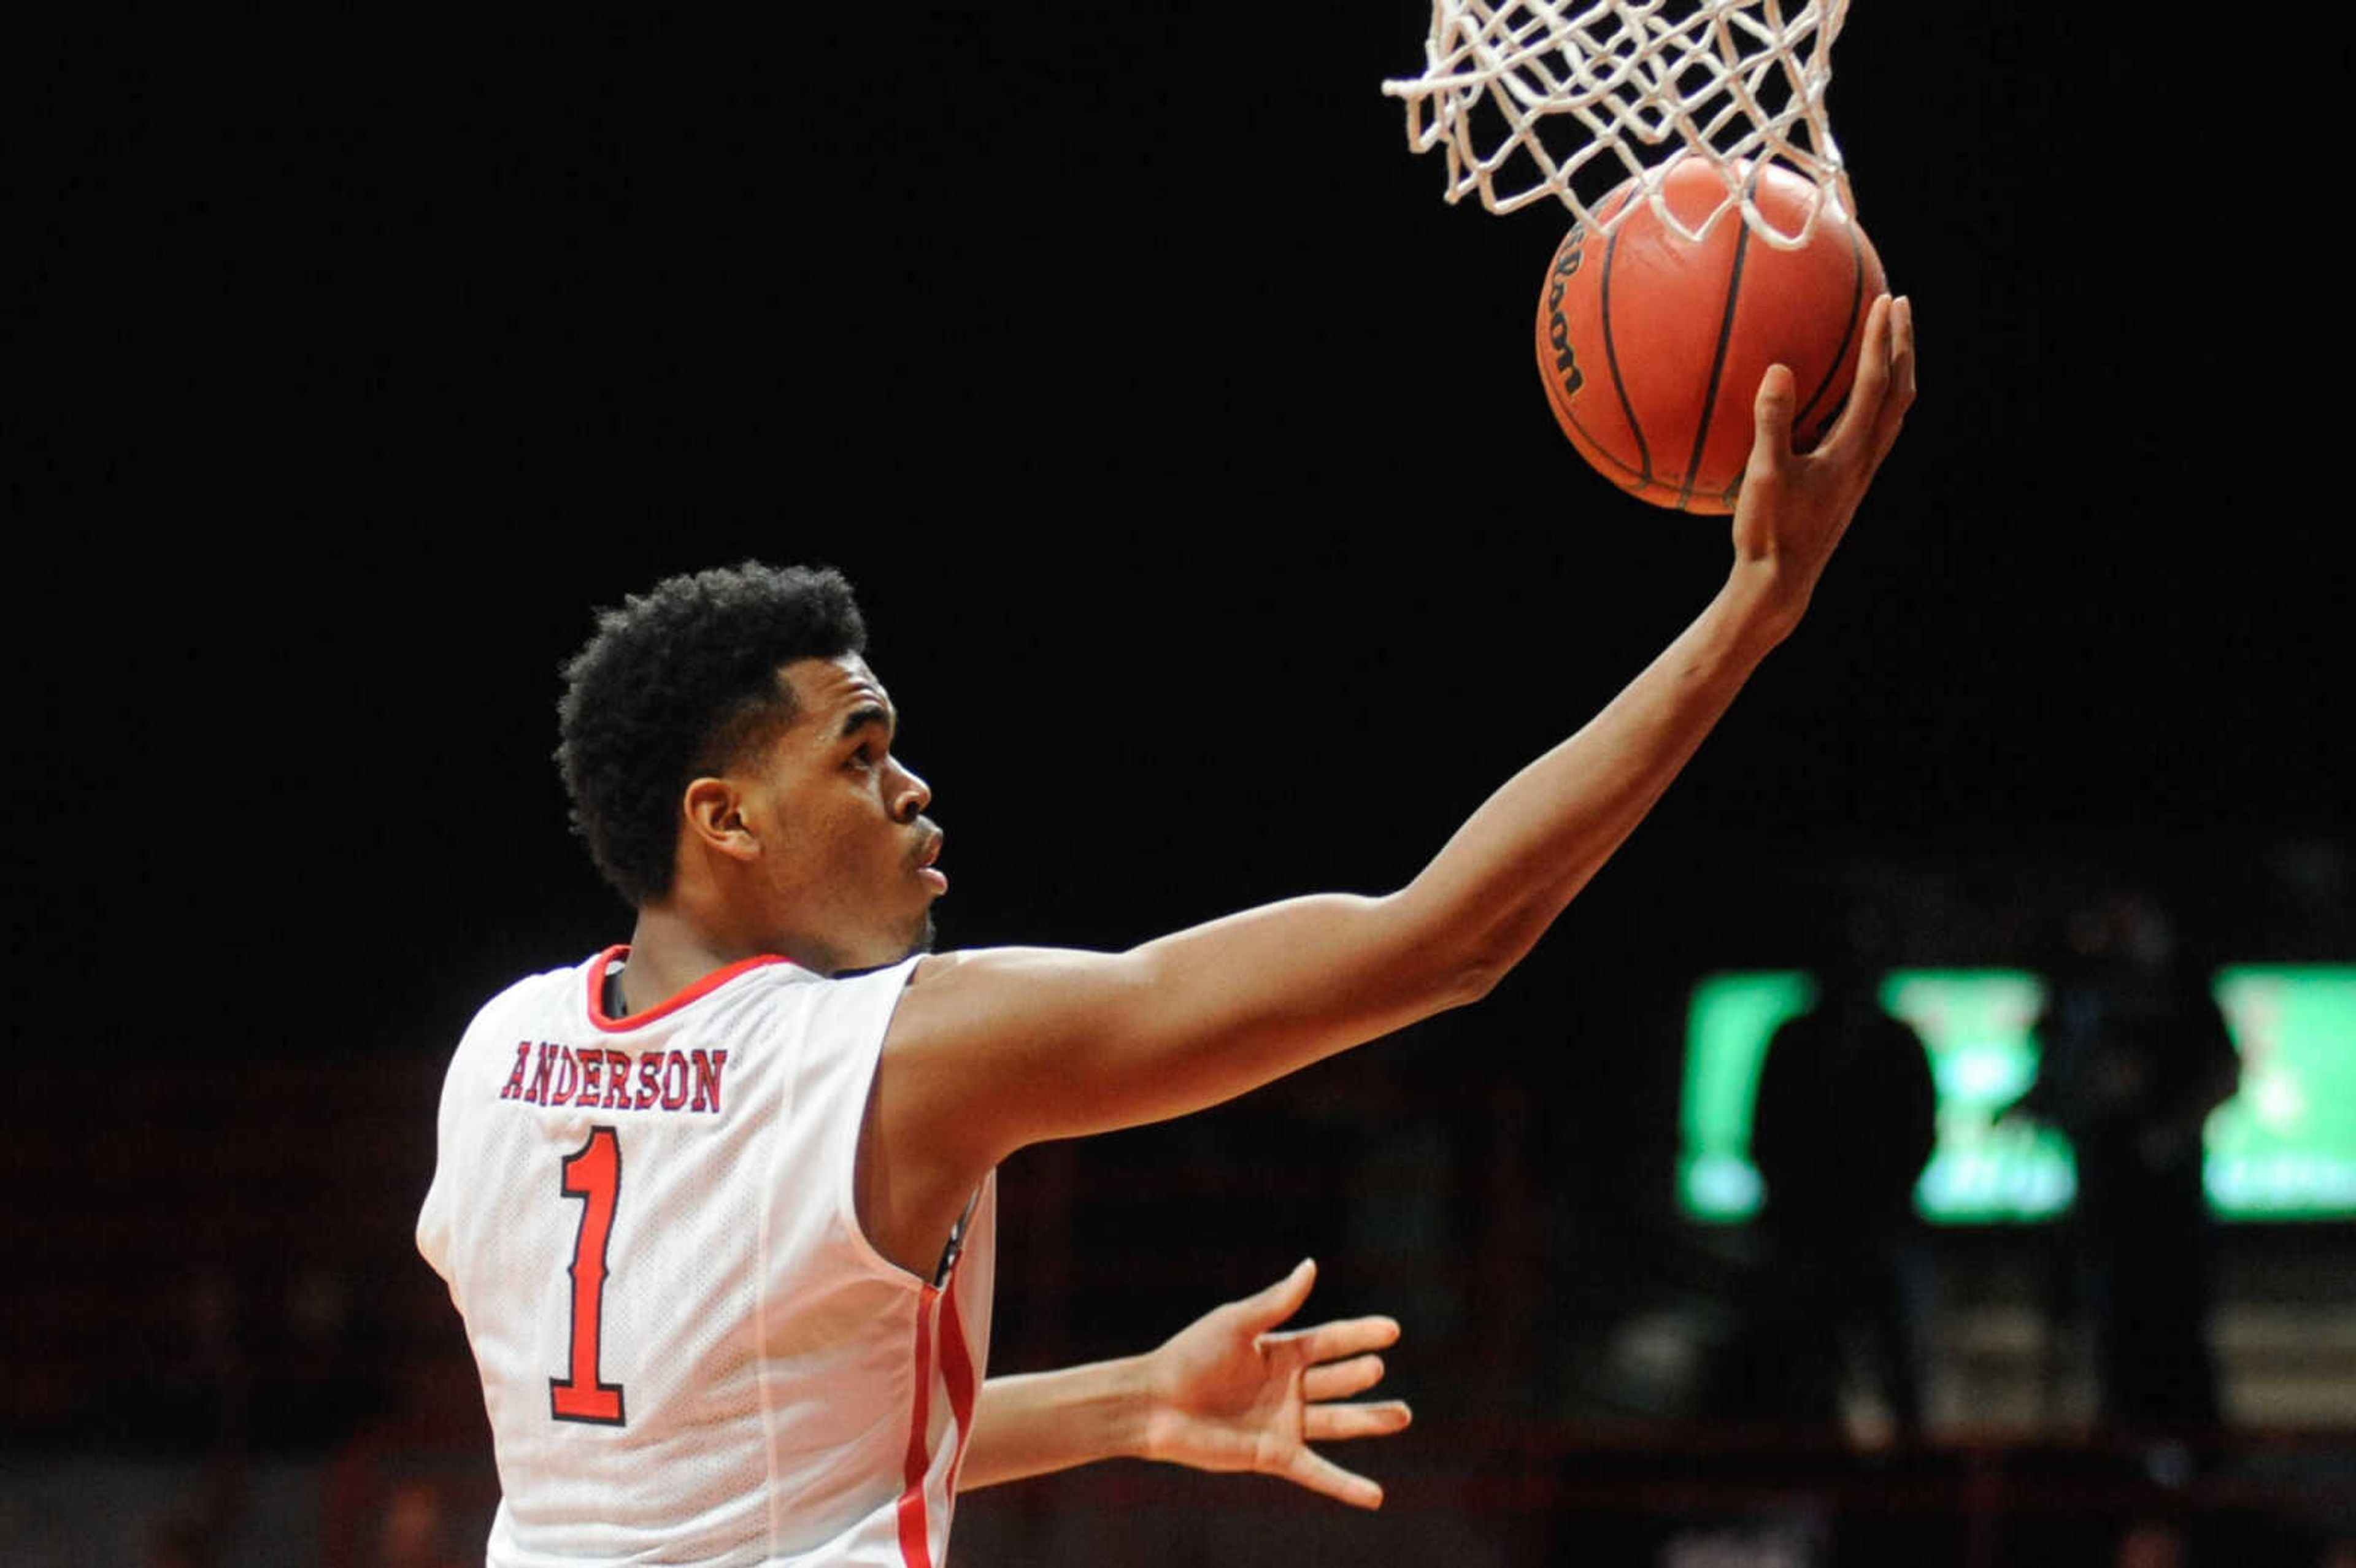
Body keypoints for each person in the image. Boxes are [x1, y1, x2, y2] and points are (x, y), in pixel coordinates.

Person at [415, 296, 1917, 1564]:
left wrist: (1135, 1399)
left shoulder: (502, 1052)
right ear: (724, 819)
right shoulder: (893, 1054)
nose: (913, 786)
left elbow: (735, 1444)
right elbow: (1441, 940)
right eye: (860, 753)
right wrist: (1753, 611)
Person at [2011, 888, 2241, 1436]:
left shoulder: (2180, 983)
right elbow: (2059, 1069)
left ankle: (2195, 1453)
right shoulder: (2084, 988)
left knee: (2178, 1327)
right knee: (2112, 1333)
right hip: (2104, 1199)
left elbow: (2223, 1072)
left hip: (2169, 1201)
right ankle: (2122, 1449)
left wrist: (2169, 1132)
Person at [1745, 909, 1939, 1443]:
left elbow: (1920, 1135)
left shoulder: (1896, 1043)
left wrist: (1879, 1202)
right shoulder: (1795, 1041)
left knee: (1898, 1367)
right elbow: (1766, 1135)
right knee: (1803, 1374)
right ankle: (1807, 1481)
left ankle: (1912, 1492)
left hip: (1879, 1230)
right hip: (1810, 1233)